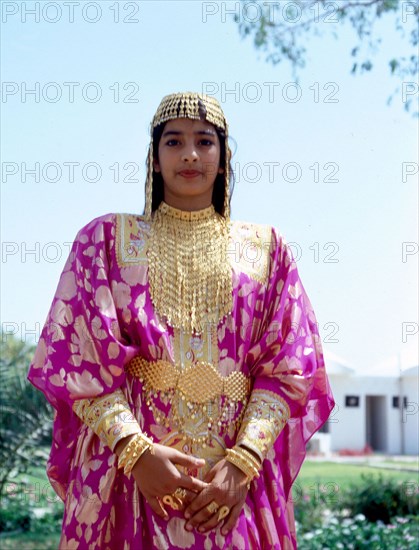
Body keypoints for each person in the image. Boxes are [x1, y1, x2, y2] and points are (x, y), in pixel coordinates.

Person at [28, 92, 335, 549]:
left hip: (231, 491)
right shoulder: (105, 241)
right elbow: (80, 364)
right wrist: (137, 454)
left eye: (204, 142)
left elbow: (288, 371)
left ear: (223, 157)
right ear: (153, 159)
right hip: (129, 485)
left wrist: (242, 465)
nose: (190, 154)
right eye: (173, 142)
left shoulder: (268, 250)